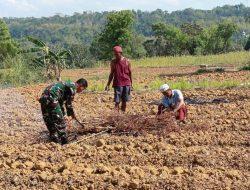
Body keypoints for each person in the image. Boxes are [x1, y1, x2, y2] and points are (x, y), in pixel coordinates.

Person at [39, 78, 88, 144]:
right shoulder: (73, 87)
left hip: (44, 98)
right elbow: (68, 104)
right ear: (81, 86)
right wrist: (72, 114)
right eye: (83, 89)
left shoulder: (66, 84)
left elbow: (61, 102)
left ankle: (54, 140)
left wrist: (63, 113)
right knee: (60, 121)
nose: (82, 91)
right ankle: (64, 142)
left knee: (48, 119)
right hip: (52, 98)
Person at [105, 46, 132, 112]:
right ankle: (116, 115)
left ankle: (123, 114)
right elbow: (111, 74)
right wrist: (108, 84)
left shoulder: (127, 61)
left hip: (126, 83)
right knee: (117, 101)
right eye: (114, 54)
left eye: (117, 54)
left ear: (121, 53)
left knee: (124, 101)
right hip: (118, 83)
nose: (116, 56)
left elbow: (130, 73)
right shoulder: (113, 62)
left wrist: (131, 84)